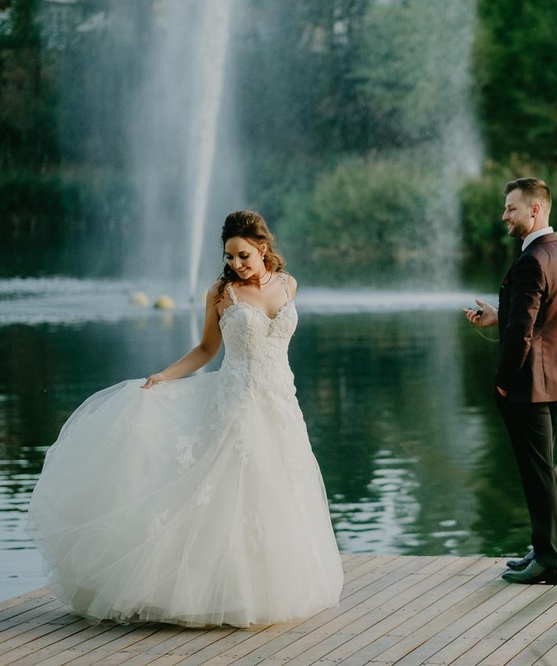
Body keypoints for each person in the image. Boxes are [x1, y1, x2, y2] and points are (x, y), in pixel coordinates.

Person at [26, 210, 344, 627]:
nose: (236, 264)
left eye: (243, 255)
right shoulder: (221, 293)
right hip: (237, 404)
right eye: (229, 257)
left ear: (263, 248)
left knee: (278, 493)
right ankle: (202, 590)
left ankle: (262, 590)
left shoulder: (289, 285)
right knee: (225, 495)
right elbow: (206, 350)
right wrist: (162, 376)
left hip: (282, 404)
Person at [464, 177, 557, 585]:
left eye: (511, 208)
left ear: (535, 210)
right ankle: (544, 547)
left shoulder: (533, 259)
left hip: (530, 385)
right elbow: (545, 317)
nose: (504, 216)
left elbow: (524, 335)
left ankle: (549, 561)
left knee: (537, 472)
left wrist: (502, 382)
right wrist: (500, 315)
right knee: (544, 469)